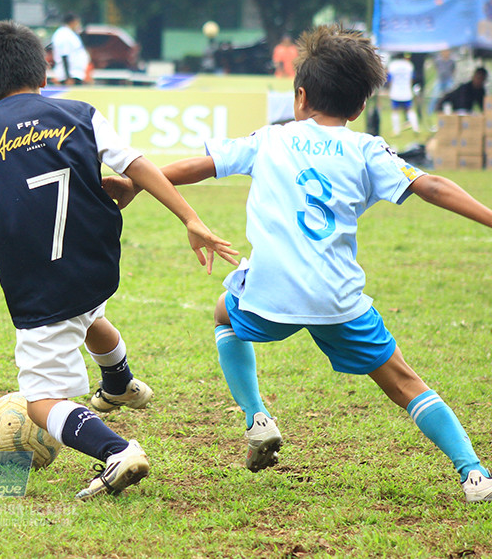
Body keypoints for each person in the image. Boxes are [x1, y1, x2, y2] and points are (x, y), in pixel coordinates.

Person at [107, 25, 492, 504]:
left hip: (270, 292)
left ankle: (257, 417)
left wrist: (137, 184)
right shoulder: (368, 149)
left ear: (301, 95)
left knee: (226, 312)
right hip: (338, 300)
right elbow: (432, 186)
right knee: (404, 382)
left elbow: (200, 165)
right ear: (358, 108)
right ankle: (473, 472)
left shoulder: (271, 138)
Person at [0, 20, 238, 500]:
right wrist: (189, 217)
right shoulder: (82, 114)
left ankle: (116, 451)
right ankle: (120, 381)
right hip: (93, 265)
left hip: (39, 287)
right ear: (44, 75)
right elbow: (137, 164)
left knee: (42, 401)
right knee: (90, 319)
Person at [50, 13, 89, 85]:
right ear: (73, 22)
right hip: (70, 75)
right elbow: (64, 55)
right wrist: (68, 77)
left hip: (76, 74)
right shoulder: (64, 34)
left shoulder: (70, 34)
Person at [386, 52, 417, 135]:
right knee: (410, 109)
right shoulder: (409, 65)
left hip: (395, 91)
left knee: (395, 111)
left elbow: (389, 79)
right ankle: (415, 128)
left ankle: (396, 131)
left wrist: (389, 89)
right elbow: (412, 78)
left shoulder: (392, 65)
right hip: (406, 91)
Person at [429, 49, 456, 114]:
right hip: (440, 80)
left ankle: (452, 110)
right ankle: (430, 112)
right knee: (434, 96)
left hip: (448, 80)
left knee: (450, 96)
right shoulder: (438, 60)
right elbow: (436, 67)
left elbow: (453, 69)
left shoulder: (451, 61)